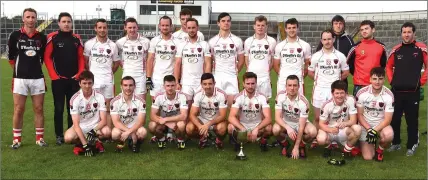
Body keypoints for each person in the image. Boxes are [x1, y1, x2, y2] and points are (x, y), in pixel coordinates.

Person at [8, 8, 48, 149]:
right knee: (19, 109)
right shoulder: (15, 36)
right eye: (28, 17)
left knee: (39, 108)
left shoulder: (42, 37)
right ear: (23, 19)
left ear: (36, 19)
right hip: (20, 79)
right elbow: (11, 58)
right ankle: (17, 140)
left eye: (33, 17)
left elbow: (43, 58)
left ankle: (40, 138)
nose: (31, 20)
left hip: (37, 78)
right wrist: (21, 71)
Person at [386, 22, 427, 156]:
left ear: (414, 33)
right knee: (395, 119)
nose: (406, 34)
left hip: (412, 91)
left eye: (409, 32)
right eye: (404, 32)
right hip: (397, 91)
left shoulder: (421, 48)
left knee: (411, 120)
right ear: (401, 34)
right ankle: (396, 143)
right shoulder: (396, 49)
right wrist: (392, 80)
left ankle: (412, 144)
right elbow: (388, 67)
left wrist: (421, 81)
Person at [44, 12, 85, 145]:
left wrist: (78, 75)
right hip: (58, 80)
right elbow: (47, 58)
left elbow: (80, 58)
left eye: (69, 21)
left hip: (73, 80)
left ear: (71, 23)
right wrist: (54, 76)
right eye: (64, 22)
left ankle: (71, 132)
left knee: (72, 108)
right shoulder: (53, 37)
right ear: (59, 23)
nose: (66, 24)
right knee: (59, 108)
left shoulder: (76, 38)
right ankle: (59, 135)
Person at [308, 29, 349, 148]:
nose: (327, 42)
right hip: (319, 90)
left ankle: (334, 140)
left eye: (329, 39)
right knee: (317, 117)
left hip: (334, 92)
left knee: (334, 116)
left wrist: (336, 82)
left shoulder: (340, 56)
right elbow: (310, 72)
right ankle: (317, 138)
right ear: (321, 41)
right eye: (324, 39)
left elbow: (346, 72)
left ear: (333, 39)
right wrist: (319, 80)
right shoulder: (316, 56)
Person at [83, 19, 120, 130]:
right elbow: (85, 61)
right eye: (100, 27)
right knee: (94, 108)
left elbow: (116, 63)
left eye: (104, 27)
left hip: (108, 80)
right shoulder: (89, 44)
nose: (102, 30)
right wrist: (91, 74)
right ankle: (94, 131)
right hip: (94, 81)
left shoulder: (112, 45)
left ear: (107, 29)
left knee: (108, 108)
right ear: (96, 28)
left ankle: (108, 133)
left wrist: (109, 73)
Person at [65, 71, 111, 157]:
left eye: (90, 83)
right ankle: (82, 144)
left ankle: (96, 141)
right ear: (79, 84)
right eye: (84, 83)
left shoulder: (100, 96)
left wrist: (93, 131)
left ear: (93, 83)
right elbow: (76, 124)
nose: (87, 86)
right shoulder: (74, 99)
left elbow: (104, 120)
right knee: (68, 138)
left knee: (107, 132)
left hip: (95, 126)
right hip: (81, 126)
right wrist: (85, 145)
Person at [273, 75, 317, 159]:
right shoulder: (280, 96)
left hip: (299, 123)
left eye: (295, 85)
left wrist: (296, 147)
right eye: (289, 85)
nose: (292, 88)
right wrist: (288, 128)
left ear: (299, 87)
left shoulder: (304, 102)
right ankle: (285, 143)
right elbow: (277, 117)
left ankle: (301, 144)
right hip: (286, 122)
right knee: (275, 129)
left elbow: (301, 126)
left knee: (313, 132)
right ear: (286, 86)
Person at [356, 67, 394, 161]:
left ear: (384, 80)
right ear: (370, 79)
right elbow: (359, 115)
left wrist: (374, 130)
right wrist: (369, 129)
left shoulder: (389, 95)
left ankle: (380, 151)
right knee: (368, 157)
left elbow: (388, 119)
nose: (377, 82)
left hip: (380, 125)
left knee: (389, 135)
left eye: (380, 79)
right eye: (374, 79)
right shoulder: (361, 93)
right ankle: (367, 143)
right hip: (365, 126)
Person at [208, 12, 245, 108]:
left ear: (231, 23)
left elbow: (241, 60)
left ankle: (231, 123)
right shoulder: (212, 42)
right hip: (217, 77)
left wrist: (235, 72)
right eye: (223, 21)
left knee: (233, 106)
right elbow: (210, 61)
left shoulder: (237, 41)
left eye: (228, 21)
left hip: (231, 77)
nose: (226, 23)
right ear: (218, 23)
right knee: (217, 106)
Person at [228, 72, 272, 152]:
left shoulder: (262, 97)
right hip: (243, 125)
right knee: (230, 127)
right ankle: (238, 141)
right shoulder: (238, 97)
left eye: (252, 83)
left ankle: (263, 142)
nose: (250, 86)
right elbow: (231, 117)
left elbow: (268, 118)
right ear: (243, 84)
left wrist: (256, 129)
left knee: (269, 128)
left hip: (257, 125)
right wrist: (244, 129)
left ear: (256, 84)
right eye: (248, 84)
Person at [317, 80, 361, 158]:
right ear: (332, 93)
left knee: (357, 129)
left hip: (344, 130)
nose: (339, 96)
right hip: (330, 131)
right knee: (321, 139)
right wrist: (330, 130)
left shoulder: (350, 100)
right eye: (337, 93)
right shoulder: (326, 105)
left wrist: (345, 123)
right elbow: (321, 124)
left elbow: (353, 120)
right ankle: (329, 146)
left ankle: (346, 150)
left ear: (346, 93)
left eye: (342, 93)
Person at [174, 18, 211, 102]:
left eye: (193, 28)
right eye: (189, 28)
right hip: (186, 83)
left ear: (197, 28)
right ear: (186, 28)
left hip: (200, 83)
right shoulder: (181, 45)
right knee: (186, 110)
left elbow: (208, 63)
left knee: (199, 110)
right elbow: (177, 64)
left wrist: (206, 82)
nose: (191, 30)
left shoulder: (204, 44)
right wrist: (176, 82)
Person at [186, 73, 227, 149]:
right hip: (202, 120)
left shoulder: (221, 95)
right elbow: (192, 114)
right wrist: (200, 126)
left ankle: (218, 140)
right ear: (201, 84)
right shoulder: (198, 95)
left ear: (214, 83)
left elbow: (223, 115)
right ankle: (203, 138)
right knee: (189, 128)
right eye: (205, 84)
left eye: (210, 84)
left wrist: (208, 125)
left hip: (216, 121)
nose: (207, 86)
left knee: (222, 129)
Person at [347, 20, 387, 96]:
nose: (364, 31)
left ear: (373, 30)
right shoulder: (355, 47)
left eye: (366, 29)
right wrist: (359, 75)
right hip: (359, 85)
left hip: (375, 84)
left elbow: (383, 64)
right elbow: (349, 64)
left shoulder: (381, 46)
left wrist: (376, 78)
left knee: (375, 108)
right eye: (362, 30)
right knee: (359, 108)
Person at [316, 15, 355, 91]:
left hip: (342, 78)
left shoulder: (348, 39)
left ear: (343, 25)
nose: (338, 25)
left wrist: (347, 71)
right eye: (336, 23)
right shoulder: (327, 38)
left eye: (340, 23)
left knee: (341, 99)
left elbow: (352, 58)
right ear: (332, 25)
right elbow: (318, 55)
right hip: (326, 76)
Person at [273, 18, 311, 95]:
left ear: (298, 29)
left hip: (298, 81)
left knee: (299, 105)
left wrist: (301, 76)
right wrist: (283, 75)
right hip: (283, 81)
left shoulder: (305, 45)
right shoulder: (280, 46)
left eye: (294, 27)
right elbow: (276, 64)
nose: (291, 30)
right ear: (286, 29)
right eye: (289, 28)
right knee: (281, 105)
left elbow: (308, 64)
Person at [149, 75, 188, 150]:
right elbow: (152, 115)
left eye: (172, 85)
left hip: (175, 123)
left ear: (176, 85)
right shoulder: (158, 96)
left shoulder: (182, 96)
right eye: (168, 86)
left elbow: (184, 116)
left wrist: (166, 119)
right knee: (151, 126)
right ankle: (162, 139)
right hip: (163, 123)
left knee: (181, 125)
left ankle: (180, 139)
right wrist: (166, 122)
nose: (170, 88)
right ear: (164, 86)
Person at [146, 16, 181, 100]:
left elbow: (178, 63)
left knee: (170, 106)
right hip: (156, 79)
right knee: (155, 105)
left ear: (171, 26)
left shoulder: (178, 42)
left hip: (171, 80)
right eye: (163, 25)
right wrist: (148, 78)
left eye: (167, 25)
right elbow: (150, 60)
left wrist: (177, 80)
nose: (165, 27)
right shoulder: (154, 41)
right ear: (159, 26)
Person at [116, 17, 150, 100]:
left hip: (141, 77)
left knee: (141, 104)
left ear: (137, 27)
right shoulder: (120, 42)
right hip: (126, 76)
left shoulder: (146, 42)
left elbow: (150, 59)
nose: (132, 30)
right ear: (125, 28)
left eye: (134, 27)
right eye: (130, 28)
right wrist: (123, 66)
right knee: (126, 103)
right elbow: (116, 58)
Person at [110, 76, 147, 153]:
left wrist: (131, 131)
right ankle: (122, 142)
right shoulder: (114, 101)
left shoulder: (141, 101)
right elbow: (116, 122)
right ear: (121, 86)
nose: (128, 88)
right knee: (114, 134)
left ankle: (135, 143)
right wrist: (130, 132)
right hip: (122, 129)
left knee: (143, 132)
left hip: (136, 128)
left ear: (134, 86)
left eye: (131, 85)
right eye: (125, 85)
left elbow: (141, 122)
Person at [244, 15, 277, 99]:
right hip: (251, 78)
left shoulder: (272, 41)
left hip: (265, 77)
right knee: (250, 102)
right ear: (254, 26)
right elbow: (246, 59)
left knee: (265, 103)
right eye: (258, 25)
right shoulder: (248, 41)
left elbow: (272, 59)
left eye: (263, 25)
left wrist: (266, 71)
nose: (260, 27)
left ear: (266, 27)